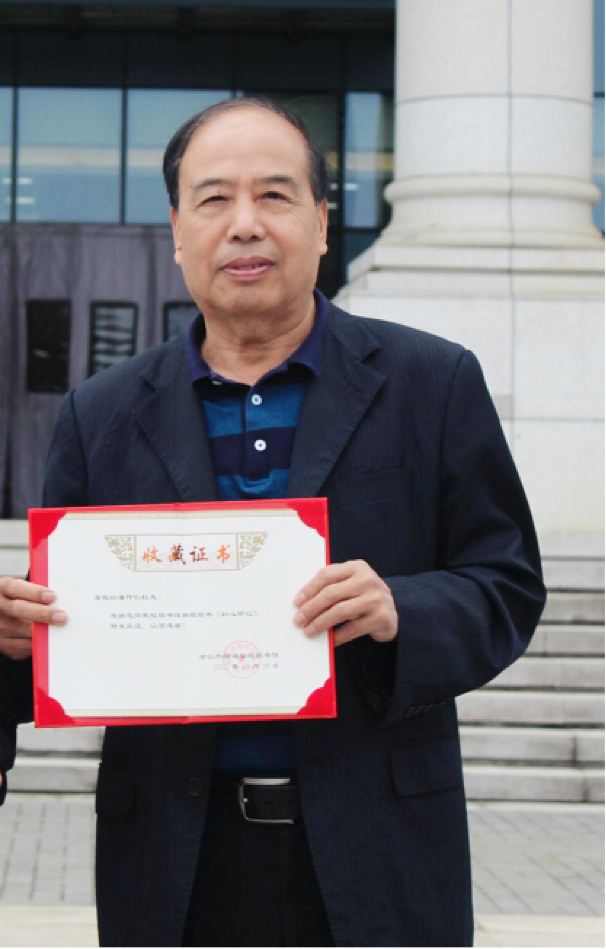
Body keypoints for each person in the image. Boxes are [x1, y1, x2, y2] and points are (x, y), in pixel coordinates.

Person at [0, 96, 545, 948]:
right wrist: (14, 636)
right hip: (176, 863)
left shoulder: (430, 382)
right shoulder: (101, 413)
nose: (245, 224)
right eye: (214, 199)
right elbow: (55, 635)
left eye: (276, 195)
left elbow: (506, 583)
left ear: (322, 224)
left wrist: (403, 608)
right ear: (177, 231)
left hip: (379, 851)